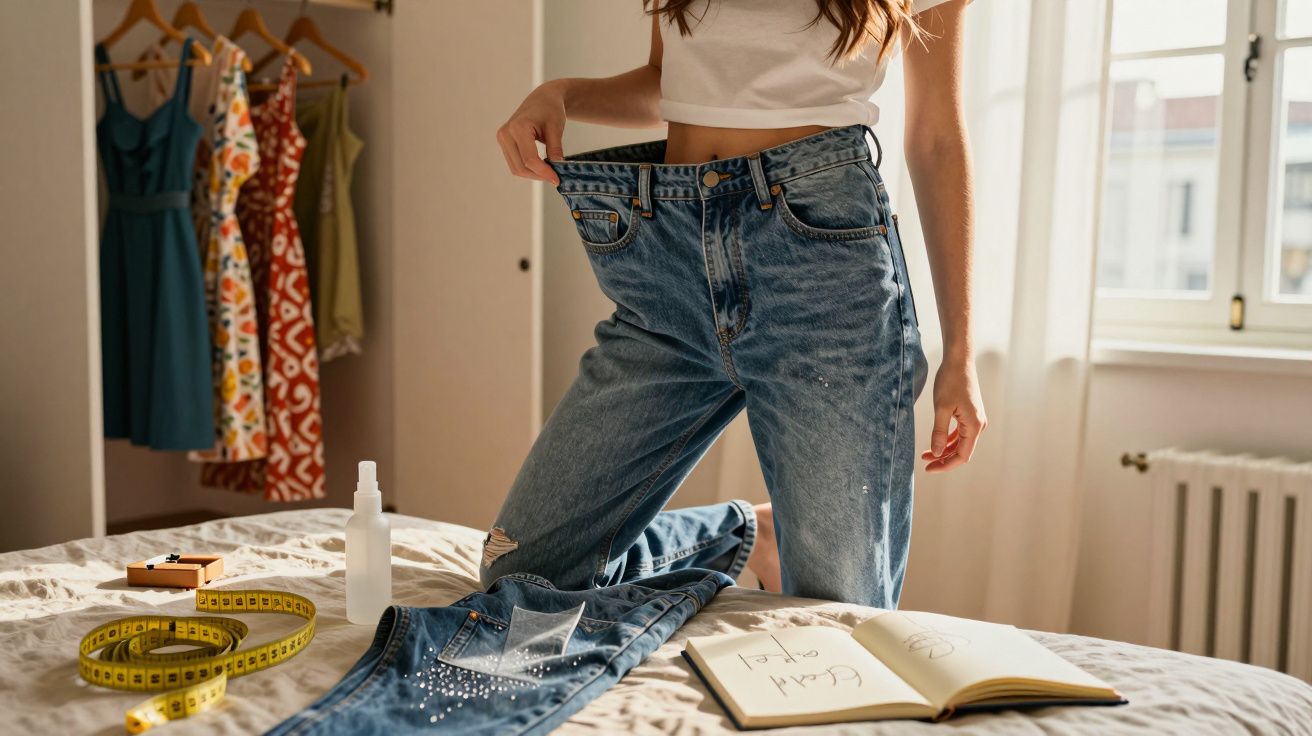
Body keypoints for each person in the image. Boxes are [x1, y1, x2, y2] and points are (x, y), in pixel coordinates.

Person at [486, 0, 985, 608]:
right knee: (519, 575)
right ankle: (749, 533)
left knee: (836, 613)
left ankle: (774, 546)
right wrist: (560, 95)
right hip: (665, 265)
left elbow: (936, 139)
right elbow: (669, 85)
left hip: (822, 275)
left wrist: (960, 349)